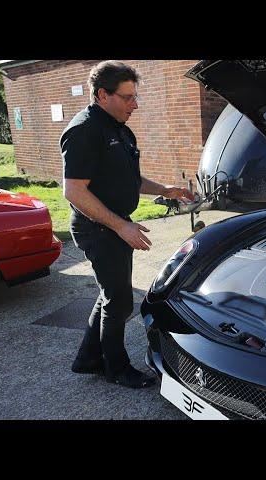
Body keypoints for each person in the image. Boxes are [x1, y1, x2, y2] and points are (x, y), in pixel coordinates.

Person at [61, 61, 194, 388]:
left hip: (115, 225)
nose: (135, 104)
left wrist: (163, 190)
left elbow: (127, 179)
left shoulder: (119, 127)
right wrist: (121, 226)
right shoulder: (84, 131)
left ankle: (88, 358)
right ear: (102, 95)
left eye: (135, 97)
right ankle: (115, 368)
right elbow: (74, 191)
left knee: (112, 294)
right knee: (120, 301)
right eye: (127, 97)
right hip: (97, 228)